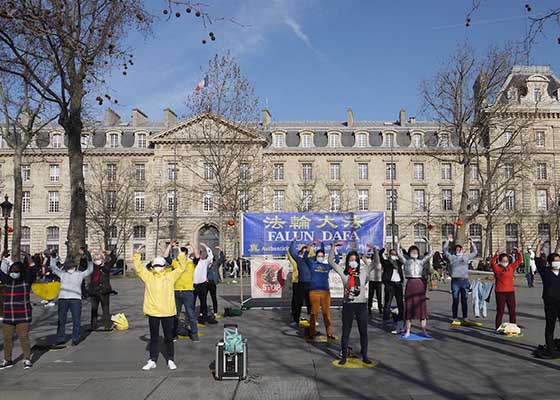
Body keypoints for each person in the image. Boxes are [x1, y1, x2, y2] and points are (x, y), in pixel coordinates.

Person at [134, 246, 188, 371]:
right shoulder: (148, 277)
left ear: (165, 266)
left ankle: (170, 359)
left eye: (160, 265)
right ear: (152, 266)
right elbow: (138, 269)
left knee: (169, 337)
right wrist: (137, 254)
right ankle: (152, 359)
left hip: (167, 312)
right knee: (154, 338)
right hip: (153, 312)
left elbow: (181, 268)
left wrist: (180, 255)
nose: (158, 267)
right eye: (156, 265)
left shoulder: (170, 276)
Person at [328, 244, 372, 365]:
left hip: (361, 305)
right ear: (347, 262)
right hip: (348, 305)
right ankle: (343, 357)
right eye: (351, 260)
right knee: (346, 331)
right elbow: (330, 262)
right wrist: (333, 247)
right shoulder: (344, 273)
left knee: (363, 331)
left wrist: (374, 250)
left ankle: (365, 355)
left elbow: (374, 265)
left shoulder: (362, 273)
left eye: (355, 260)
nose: (353, 262)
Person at [0, 256, 37, 370]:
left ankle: (27, 358)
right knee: (7, 338)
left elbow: (33, 269)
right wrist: (1, 257)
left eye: (16, 271)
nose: (13, 273)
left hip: (23, 315)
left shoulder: (26, 281)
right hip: (8, 315)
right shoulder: (7, 281)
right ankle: (7, 359)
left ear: (21, 272)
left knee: (24, 337)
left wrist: (29, 258)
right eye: (11, 271)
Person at [51, 251, 93, 346]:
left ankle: (75, 338)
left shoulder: (79, 274)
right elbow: (54, 268)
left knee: (76, 319)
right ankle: (60, 338)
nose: (69, 267)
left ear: (74, 266)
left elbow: (89, 270)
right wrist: (53, 259)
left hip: (75, 299)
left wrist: (89, 259)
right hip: (63, 298)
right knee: (61, 319)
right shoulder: (62, 274)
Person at [397, 234, 433, 338]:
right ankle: (407, 330)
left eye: (416, 251)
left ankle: (424, 330)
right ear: (409, 253)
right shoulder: (406, 261)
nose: (414, 253)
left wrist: (428, 241)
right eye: (412, 251)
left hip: (419, 283)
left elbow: (430, 254)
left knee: (421, 308)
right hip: (410, 284)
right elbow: (399, 253)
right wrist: (399, 240)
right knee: (409, 307)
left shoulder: (421, 261)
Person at [166, 241, 200, 342]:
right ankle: (174, 334)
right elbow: (166, 256)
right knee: (175, 315)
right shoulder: (176, 264)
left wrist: (192, 244)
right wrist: (170, 246)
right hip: (176, 292)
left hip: (188, 292)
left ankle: (194, 334)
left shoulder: (191, 264)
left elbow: (197, 256)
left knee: (191, 314)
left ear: (186, 255)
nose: (181, 255)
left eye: (183, 253)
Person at [303, 241, 338, 339]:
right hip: (314, 292)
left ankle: (329, 333)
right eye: (318, 256)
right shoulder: (312, 264)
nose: (320, 257)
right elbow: (305, 257)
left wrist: (334, 248)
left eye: (322, 256)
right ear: (316, 256)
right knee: (314, 313)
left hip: (325, 293)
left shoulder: (327, 266)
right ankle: (312, 332)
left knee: (326, 313)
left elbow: (337, 260)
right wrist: (310, 245)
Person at [443, 235, 477, 323]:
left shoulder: (465, 257)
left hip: (464, 280)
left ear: (462, 250)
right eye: (457, 249)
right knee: (455, 299)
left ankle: (465, 316)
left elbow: (475, 252)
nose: (458, 250)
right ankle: (455, 316)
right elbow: (445, 251)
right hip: (455, 281)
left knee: (464, 299)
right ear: (455, 250)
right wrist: (447, 241)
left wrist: (472, 244)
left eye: (459, 249)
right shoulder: (452, 257)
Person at [535, 240, 560, 356]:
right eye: (555, 261)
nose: (557, 263)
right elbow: (538, 260)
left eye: (559, 261)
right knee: (550, 325)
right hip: (550, 303)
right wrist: (539, 246)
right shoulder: (546, 271)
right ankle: (550, 347)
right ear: (550, 262)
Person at [491, 247, 522, 330]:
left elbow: (519, 261)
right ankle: (498, 326)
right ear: (500, 261)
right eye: (503, 261)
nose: (505, 262)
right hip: (500, 292)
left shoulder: (511, 267)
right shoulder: (497, 268)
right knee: (500, 310)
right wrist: (496, 254)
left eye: (506, 261)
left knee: (512, 310)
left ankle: (513, 326)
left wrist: (518, 252)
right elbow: (492, 263)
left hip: (510, 291)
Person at [88, 250, 116, 331]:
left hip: (104, 290)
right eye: (96, 258)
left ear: (103, 259)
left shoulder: (106, 266)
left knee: (105, 309)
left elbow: (114, 259)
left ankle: (107, 325)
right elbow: (83, 263)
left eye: (99, 258)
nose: (97, 260)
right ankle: (93, 326)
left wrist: (109, 253)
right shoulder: (92, 267)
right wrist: (88, 253)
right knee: (94, 309)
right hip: (94, 290)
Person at [380, 248, 405, 332]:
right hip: (390, 283)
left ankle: (401, 319)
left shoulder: (399, 262)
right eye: (393, 254)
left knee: (400, 302)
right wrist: (384, 248)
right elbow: (381, 256)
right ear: (390, 254)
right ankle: (386, 318)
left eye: (395, 254)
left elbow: (404, 256)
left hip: (398, 284)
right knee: (388, 302)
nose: (394, 256)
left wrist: (401, 250)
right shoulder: (387, 262)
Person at [289, 240, 312, 324]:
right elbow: (291, 251)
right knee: (298, 303)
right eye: (303, 252)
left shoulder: (312, 260)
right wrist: (294, 241)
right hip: (301, 284)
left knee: (311, 304)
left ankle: (312, 319)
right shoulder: (299, 260)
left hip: (310, 284)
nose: (304, 253)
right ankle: (296, 320)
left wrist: (314, 244)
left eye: (306, 252)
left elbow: (321, 254)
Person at [193, 243, 216, 324]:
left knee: (203, 302)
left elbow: (211, 256)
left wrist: (206, 246)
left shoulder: (204, 262)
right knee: (192, 302)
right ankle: (191, 318)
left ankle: (204, 317)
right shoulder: (191, 262)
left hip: (202, 284)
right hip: (193, 285)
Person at [366, 245, 383, 315]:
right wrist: (368, 251)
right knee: (371, 296)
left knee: (378, 296)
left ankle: (379, 308)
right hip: (372, 281)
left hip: (378, 281)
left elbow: (365, 258)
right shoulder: (370, 264)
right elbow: (364, 258)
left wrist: (373, 250)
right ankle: (370, 308)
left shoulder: (379, 264)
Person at [207, 246, 223, 318]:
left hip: (212, 282)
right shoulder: (205, 265)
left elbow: (221, 259)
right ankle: (202, 312)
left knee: (214, 298)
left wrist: (221, 251)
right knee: (203, 298)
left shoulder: (215, 265)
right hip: (205, 283)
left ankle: (215, 312)